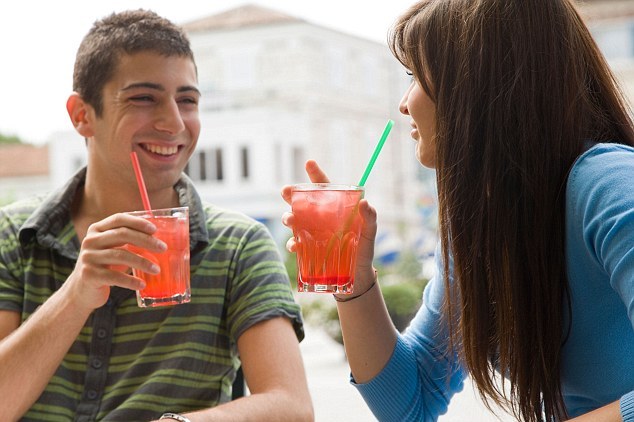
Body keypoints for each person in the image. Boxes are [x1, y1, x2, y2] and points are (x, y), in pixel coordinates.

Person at [282, 0, 634, 421]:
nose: (403, 103)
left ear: (478, 83)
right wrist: (354, 283)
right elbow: (410, 403)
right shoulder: (481, 225)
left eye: (414, 75)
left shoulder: (608, 185)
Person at [0, 9, 312, 421]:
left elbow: (291, 407)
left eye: (188, 100)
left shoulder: (238, 245)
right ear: (82, 115)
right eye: (143, 98)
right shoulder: (13, 233)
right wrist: (76, 295)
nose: (173, 122)